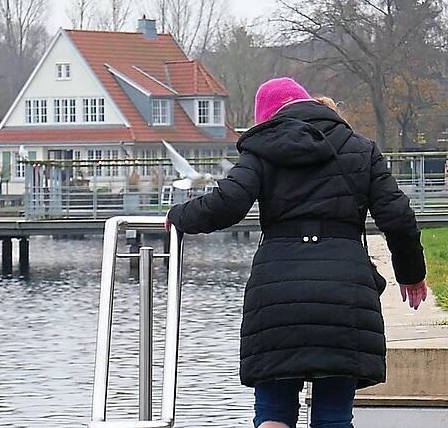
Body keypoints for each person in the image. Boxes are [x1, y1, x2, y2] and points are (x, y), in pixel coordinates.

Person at [166, 77, 428, 428]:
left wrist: (178, 216)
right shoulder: (360, 148)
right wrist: (410, 273)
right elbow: (397, 217)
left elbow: (227, 204)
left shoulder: (261, 150)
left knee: (274, 414)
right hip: (344, 292)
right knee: (333, 417)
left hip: (277, 292)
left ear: (267, 118)